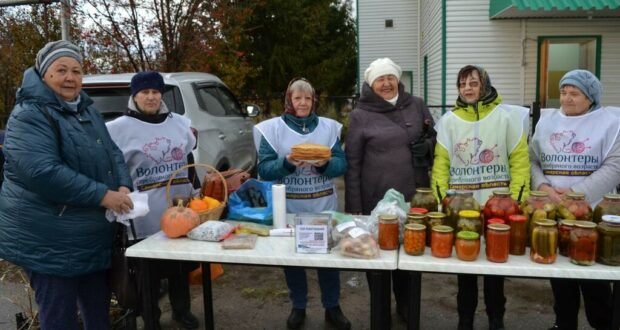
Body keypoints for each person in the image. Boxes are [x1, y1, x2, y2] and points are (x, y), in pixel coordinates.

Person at [0, 40, 134, 330]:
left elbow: (113, 152)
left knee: (98, 315)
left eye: (76, 70)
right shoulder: (29, 115)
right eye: (61, 70)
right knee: (60, 319)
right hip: (50, 242)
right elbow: (42, 172)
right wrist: (103, 195)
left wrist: (123, 185)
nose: (70, 77)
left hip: (89, 239)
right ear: (43, 73)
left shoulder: (87, 110)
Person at [432, 65, 531, 330]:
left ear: (484, 85)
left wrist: (517, 200)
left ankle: (495, 318)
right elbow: (441, 164)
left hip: (498, 208)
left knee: (495, 268)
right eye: (462, 84)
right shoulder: (449, 121)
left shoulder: (507, 117)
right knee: (465, 268)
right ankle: (465, 318)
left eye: (473, 83)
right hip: (463, 208)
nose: (467, 88)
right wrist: (443, 200)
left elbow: (519, 160)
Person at [252, 77, 351, 330]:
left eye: (308, 98)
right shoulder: (272, 129)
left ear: (314, 100)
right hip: (290, 207)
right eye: (298, 98)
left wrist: (325, 164)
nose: (303, 103)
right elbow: (263, 169)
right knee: (293, 259)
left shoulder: (329, 128)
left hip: (322, 205)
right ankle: (298, 306)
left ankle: (332, 306)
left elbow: (341, 164)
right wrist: (286, 163)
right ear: (289, 100)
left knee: (328, 260)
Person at [344, 57, 436, 324]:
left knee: (410, 255)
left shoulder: (417, 105)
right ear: (371, 85)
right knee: (378, 259)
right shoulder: (360, 114)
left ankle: (406, 305)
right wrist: (355, 209)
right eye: (380, 79)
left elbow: (434, 136)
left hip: (412, 196)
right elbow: (352, 163)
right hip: (375, 199)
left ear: (398, 79)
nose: (386, 83)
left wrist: (428, 146)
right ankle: (380, 308)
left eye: (390, 77)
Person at [106, 71, 200, 330]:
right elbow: (112, 169)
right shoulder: (117, 129)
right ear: (134, 96)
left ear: (162, 95)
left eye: (155, 92)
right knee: (148, 273)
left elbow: (189, 161)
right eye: (144, 92)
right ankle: (151, 318)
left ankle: (182, 311)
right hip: (143, 215)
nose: (151, 97)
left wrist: (195, 188)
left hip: (178, 209)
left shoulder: (180, 123)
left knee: (180, 267)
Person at [530, 69, 617, 330]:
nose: (567, 99)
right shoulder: (548, 122)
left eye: (574, 93)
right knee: (561, 274)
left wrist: (576, 193)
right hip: (554, 209)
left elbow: (614, 166)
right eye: (563, 92)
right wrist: (544, 186)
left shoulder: (610, 123)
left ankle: (602, 323)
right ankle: (564, 323)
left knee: (593, 276)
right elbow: (532, 159)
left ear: (590, 98)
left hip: (591, 214)